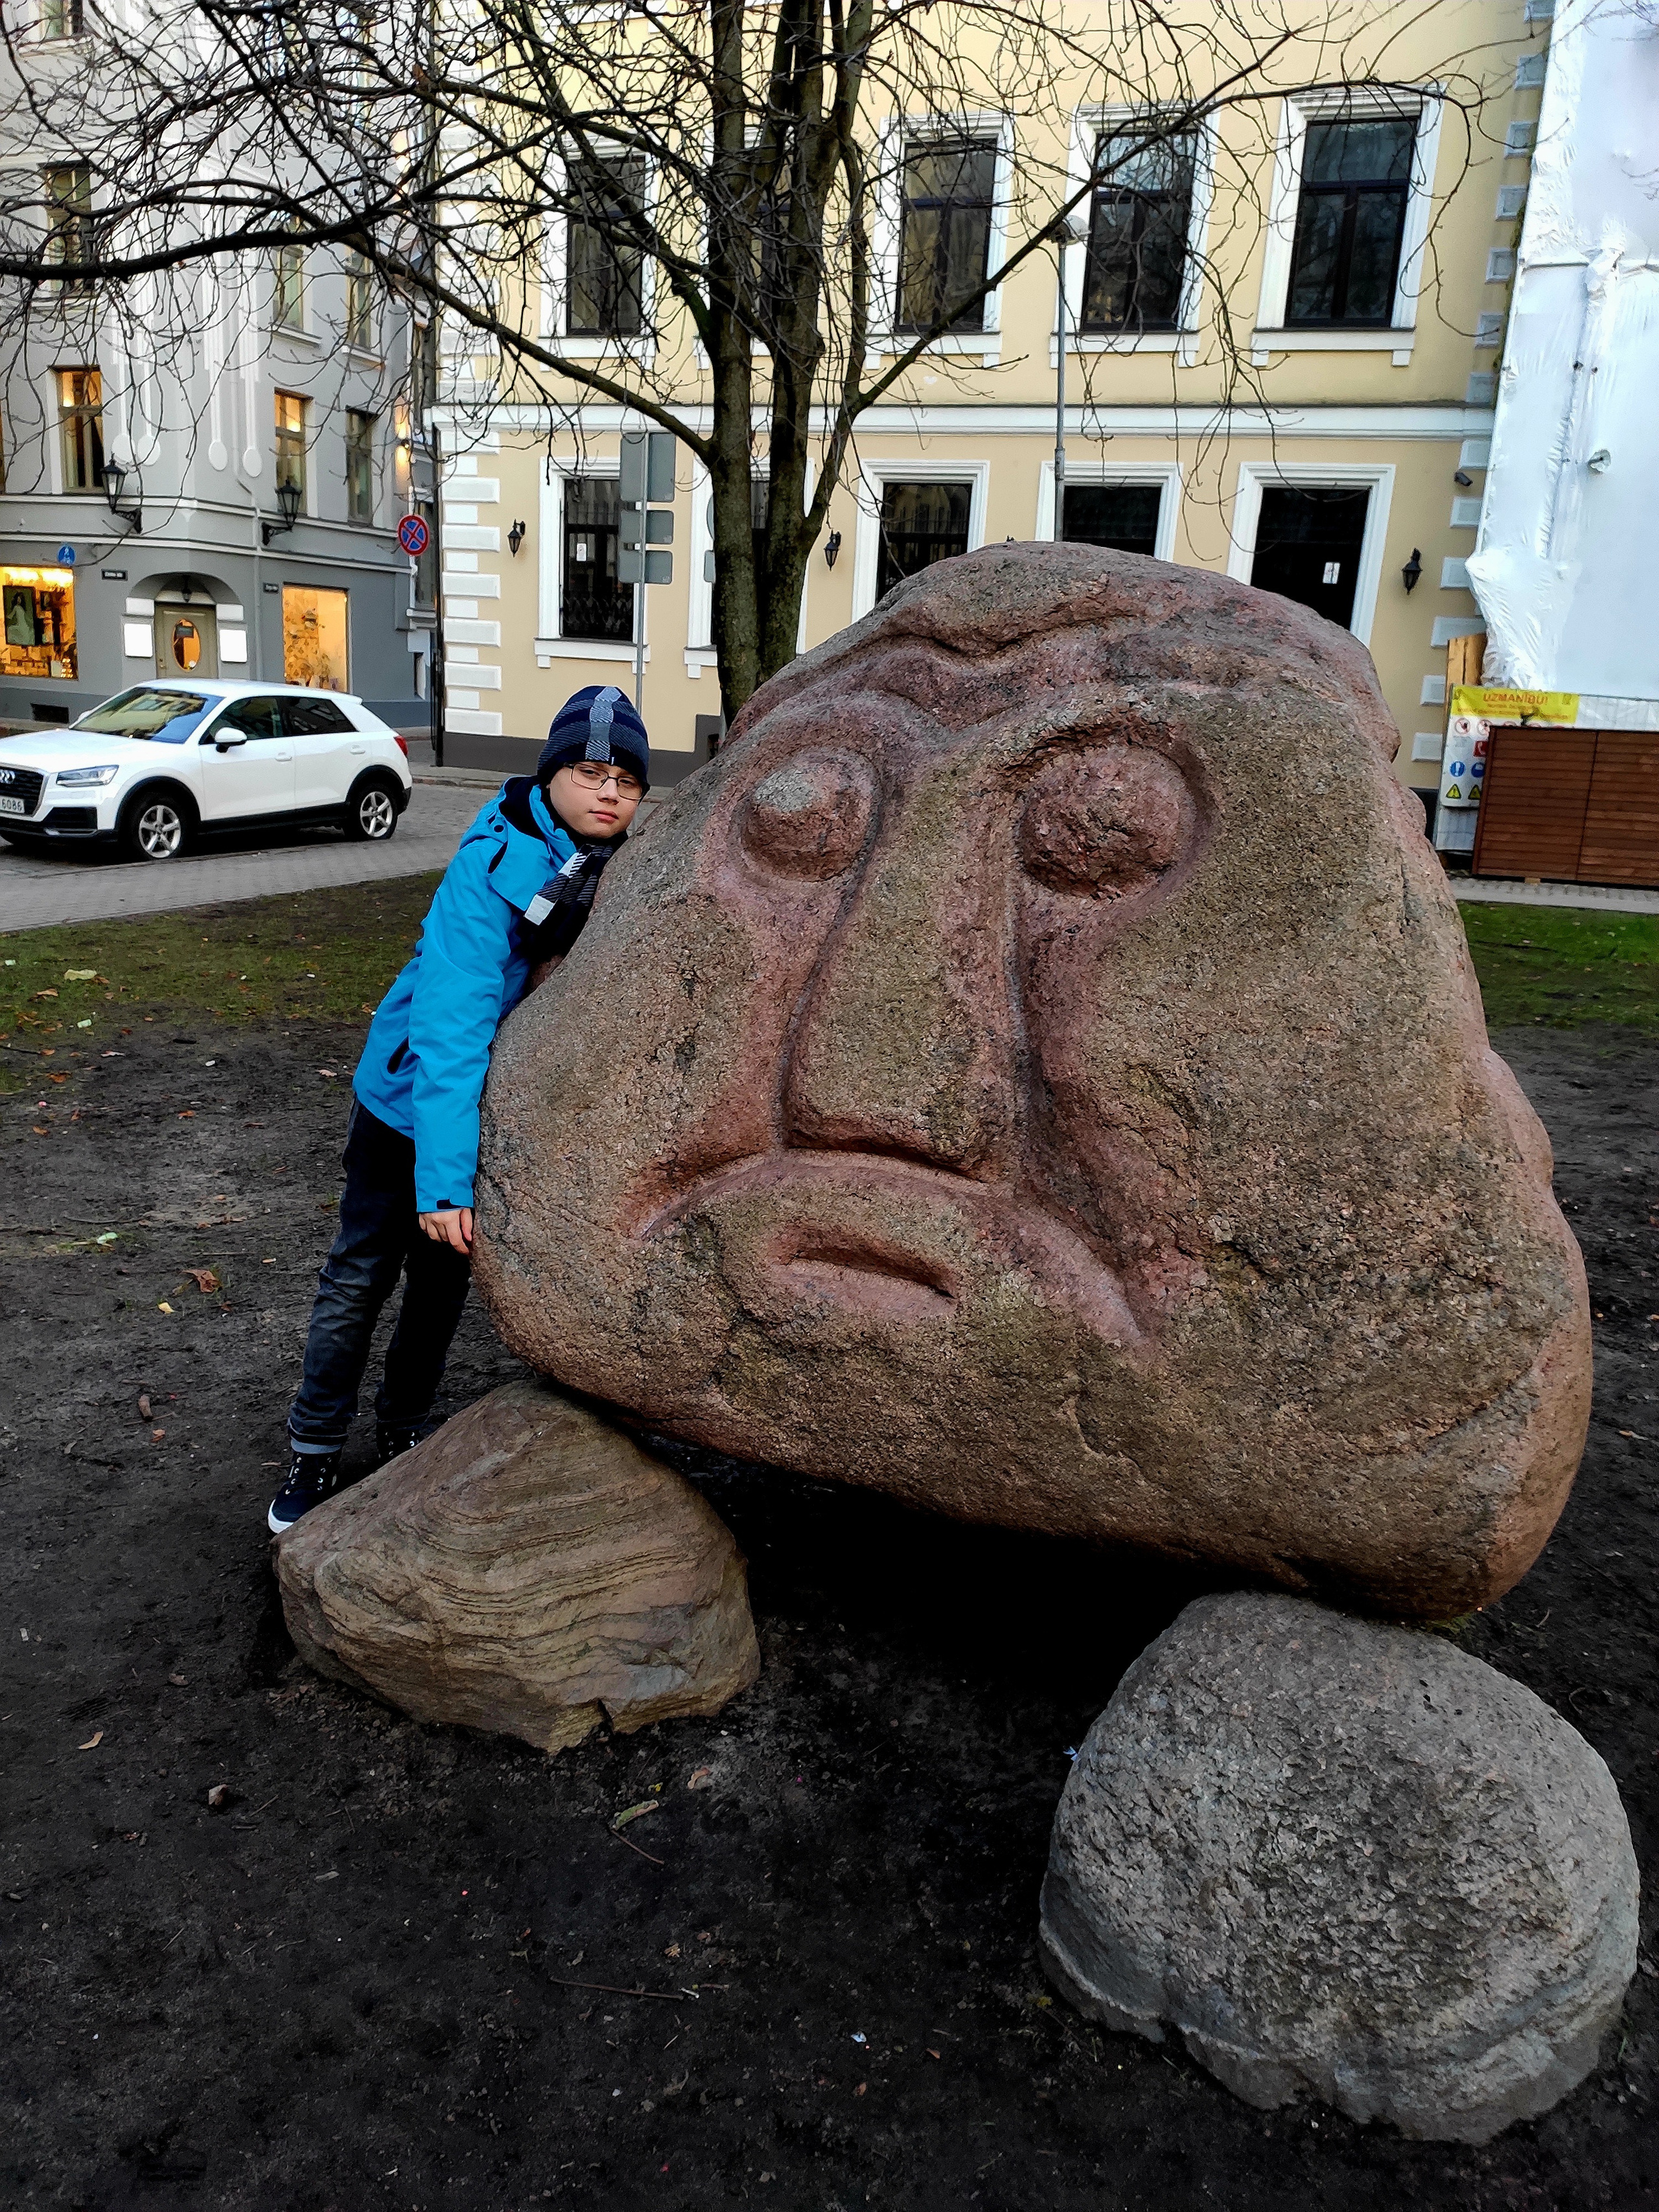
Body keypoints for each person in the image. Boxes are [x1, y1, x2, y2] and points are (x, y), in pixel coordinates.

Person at [266, 684, 649, 1533]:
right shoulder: (492, 864)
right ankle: (314, 1450)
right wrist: (442, 1184)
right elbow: (451, 1026)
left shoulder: (607, 864)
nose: (610, 791)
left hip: (473, 1120)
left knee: (439, 1290)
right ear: (552, 774)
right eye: (589, 771)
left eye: (626, 777)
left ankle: (404, 1423)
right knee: (360, 1279)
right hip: (408, 1106)